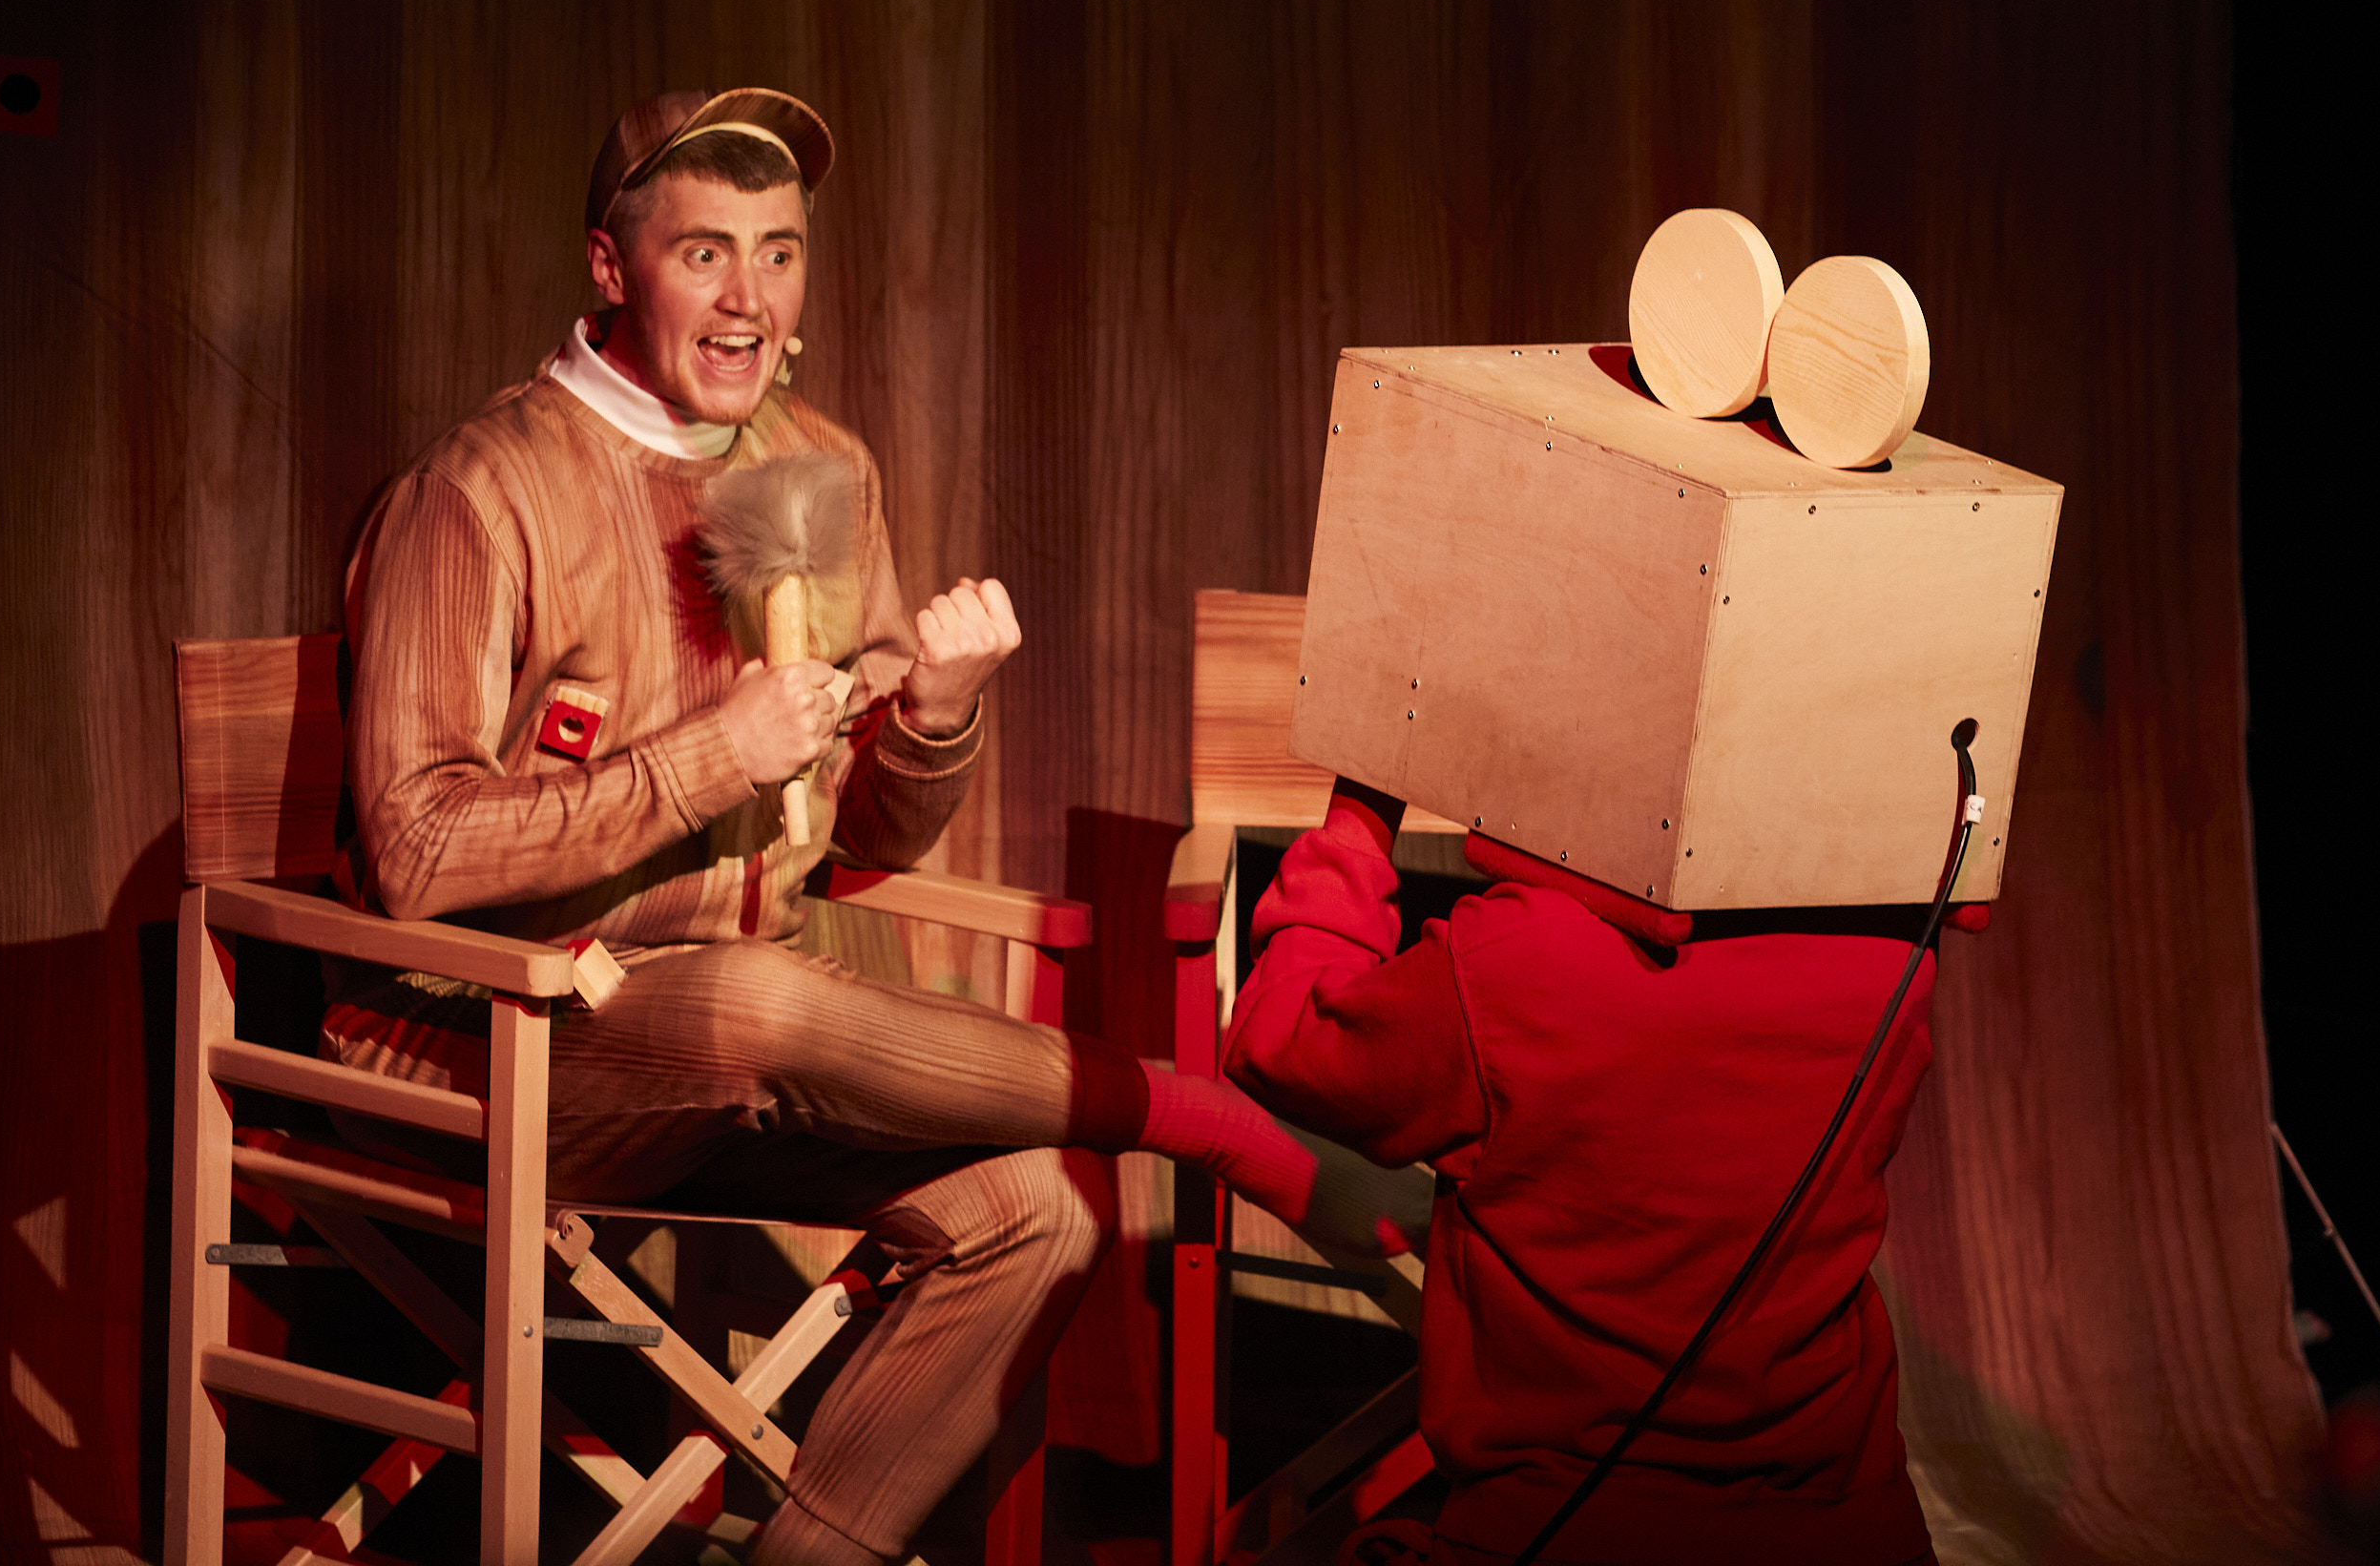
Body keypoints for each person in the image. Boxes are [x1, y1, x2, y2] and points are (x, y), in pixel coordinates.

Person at [327, 87, 1407, 1566]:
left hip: (728, 1061)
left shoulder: (818, 467)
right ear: (609, 265)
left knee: (1038, 1215)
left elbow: (868, 837)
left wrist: (936, 712)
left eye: (778, 253)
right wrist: (712, 756)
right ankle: (1203, 1115)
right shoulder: (480, 490)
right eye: (704, 253)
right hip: (475, 1040)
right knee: (757, 1002)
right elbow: (416, 852)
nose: (748, 297)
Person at [1226, 778, 1947, 1566]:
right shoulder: (1894, 957)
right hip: (1854, 1532)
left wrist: (1363, 809)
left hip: (1561, 1528)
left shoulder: (1520, 959)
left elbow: (1277, 1039)